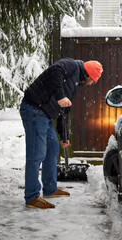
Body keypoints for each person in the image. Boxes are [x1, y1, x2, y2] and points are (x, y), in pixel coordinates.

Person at [20, 57, 103, 209]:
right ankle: (32, 197)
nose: (92, 83)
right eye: (94, 80)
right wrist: (60, 96)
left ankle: (50, 189)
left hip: (45, 114)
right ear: (89, 75)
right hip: (33, 108)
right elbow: (55, 71)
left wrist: (64, 137)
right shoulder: (71, 65)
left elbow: (63, 110)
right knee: (36, 153)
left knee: (52, 149)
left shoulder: (75, 84)